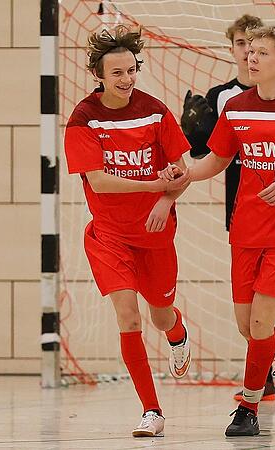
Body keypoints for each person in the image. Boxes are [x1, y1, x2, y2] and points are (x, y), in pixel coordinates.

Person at [163, 25, 275, 436]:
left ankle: (247, 407)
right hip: (246, 229)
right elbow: (217, 159)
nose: (252, 57)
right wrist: (185, 174)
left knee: (261, 325)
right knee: (247, 327)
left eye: (262, 52)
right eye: (250, 51)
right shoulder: (237, 108)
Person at [63, 25, 193, 438]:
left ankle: (178, 333)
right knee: (127, 315)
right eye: (116, 73)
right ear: (99, 75)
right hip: (109, 236)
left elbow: (182, 170)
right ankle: (151, 410)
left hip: (155, 234)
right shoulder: (83, 118)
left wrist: (166, 198)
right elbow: (99, 181)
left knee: (160, 315)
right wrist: (154, 185)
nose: (126, 78)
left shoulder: (155, 110)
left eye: (131, 70)